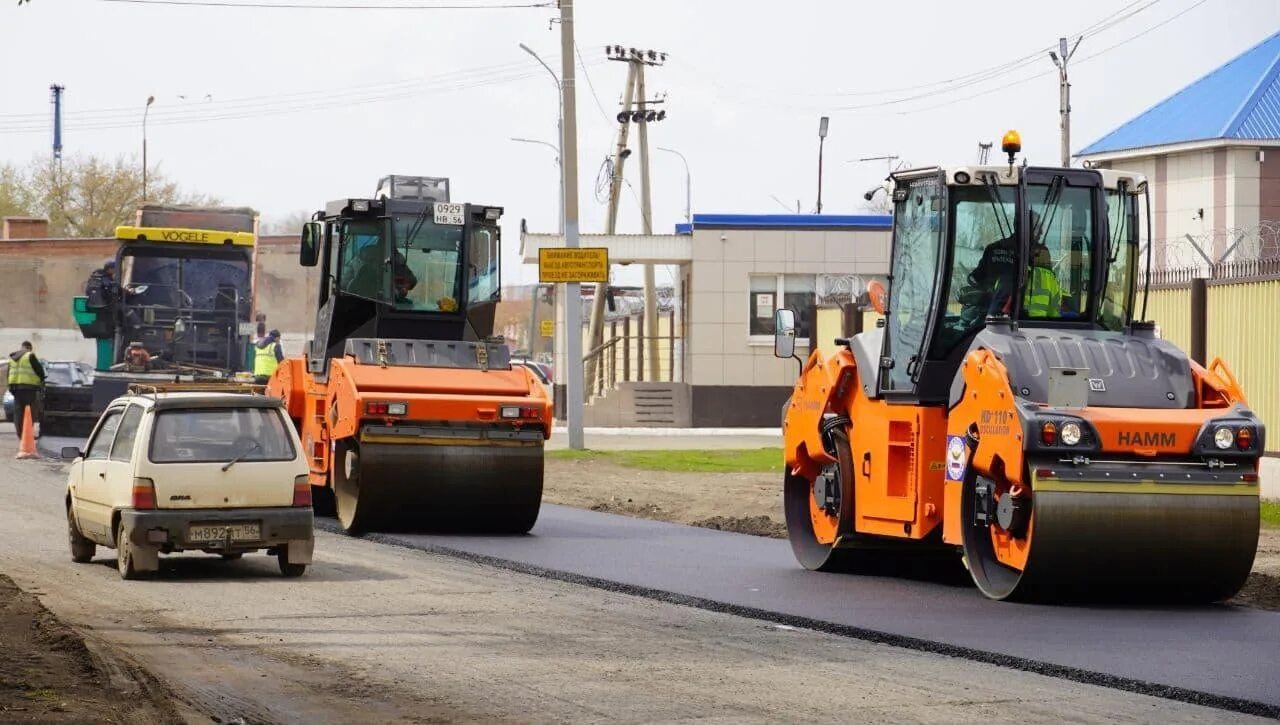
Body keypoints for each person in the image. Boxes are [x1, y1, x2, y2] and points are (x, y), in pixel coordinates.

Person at [7, 341, 45, 440]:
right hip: (29, 388)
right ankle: (29, 435)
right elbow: (40, 371)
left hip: (15, 389)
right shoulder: (30, 355)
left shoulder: (13, 358)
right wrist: (40, 381)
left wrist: (11, 387)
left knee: (18, 412)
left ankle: (20, 435)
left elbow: (8, 374)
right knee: (31, 412)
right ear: (29, 348)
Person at [1022, 243, 1064, 318]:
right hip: (1039, 323)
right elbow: (1054, 305)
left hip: (1018, 320)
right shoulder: (1050, 277)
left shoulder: (1020, 272)